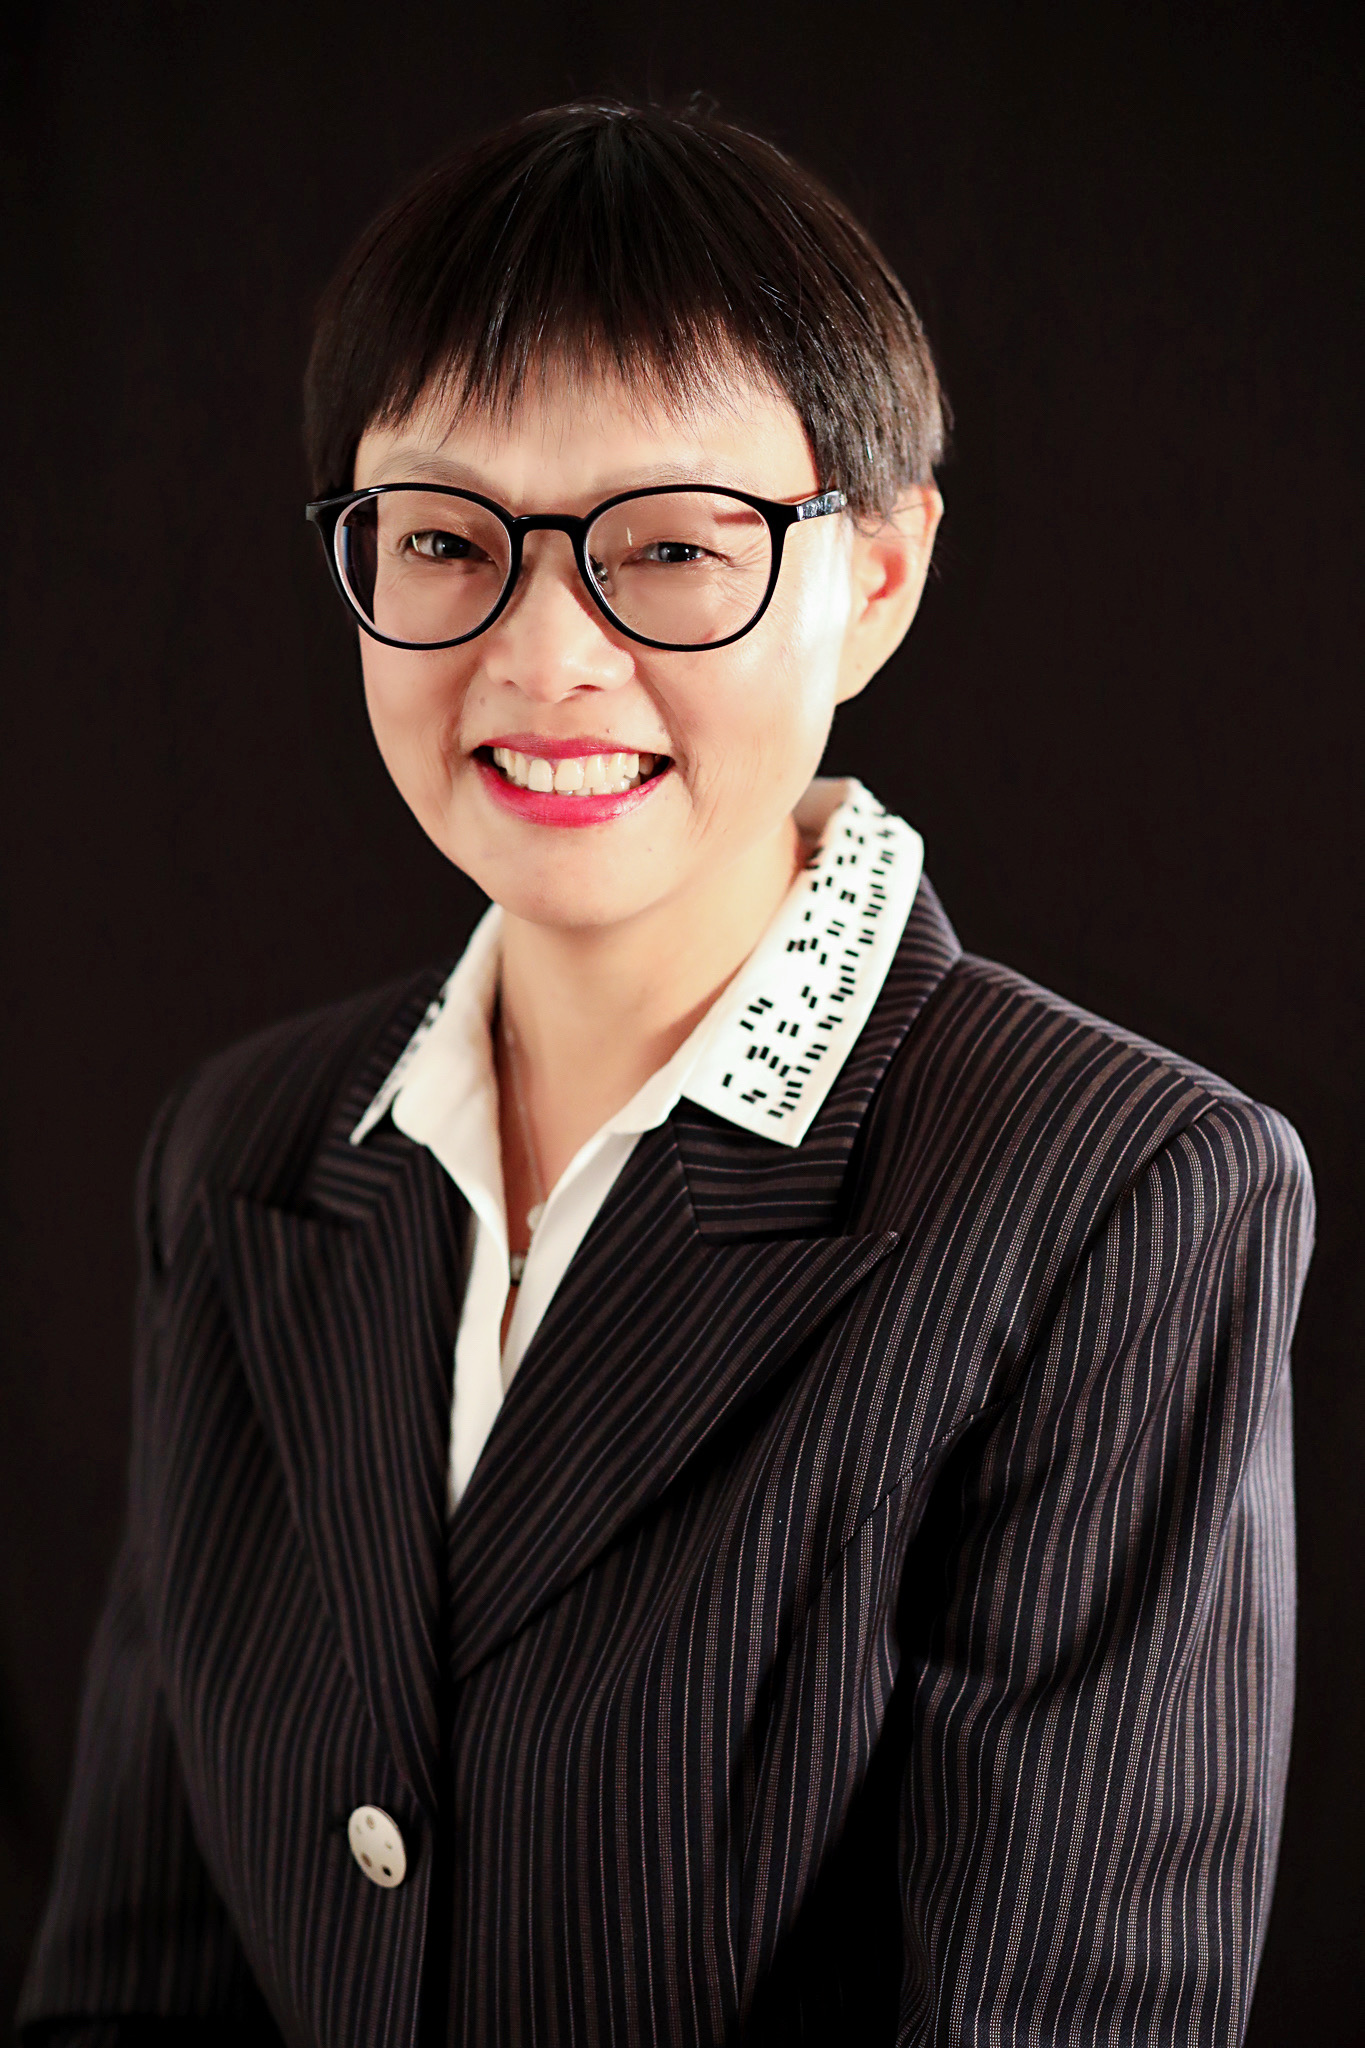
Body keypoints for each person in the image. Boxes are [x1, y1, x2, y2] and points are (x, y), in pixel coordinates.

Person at [19, 101, 1313, 2048]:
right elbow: (132, 1986)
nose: (544, 657)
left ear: (877, 577)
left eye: (672, 547)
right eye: (443, 539)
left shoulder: (1115, 1190)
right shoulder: (242, 1155)